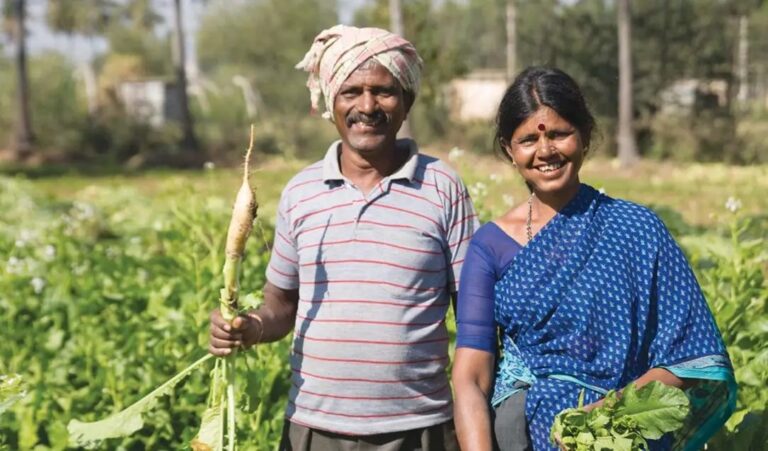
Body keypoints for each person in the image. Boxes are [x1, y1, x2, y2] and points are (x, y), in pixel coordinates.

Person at [209, 25, 477, 451]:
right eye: (351, 91)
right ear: (330, 101)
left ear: (406, 102)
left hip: (421, 427)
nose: (367, 106)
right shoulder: (301, 193)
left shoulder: (443, 187)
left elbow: (473, 320)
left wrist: (473, 423)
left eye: (384, 91)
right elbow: (281, 308)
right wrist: (248, 328)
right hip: (315, 429)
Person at [452, 67, 736, 451]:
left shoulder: (636, 228)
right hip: (521, 436)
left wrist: (605, 416)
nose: (545, 151)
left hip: (621, 437)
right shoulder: (491, 244)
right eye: (527, 140)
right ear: (509, 149)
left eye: (559, 134)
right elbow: (471, 376)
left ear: (584, 136)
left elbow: (691, 355)